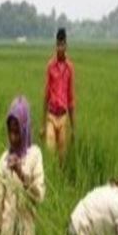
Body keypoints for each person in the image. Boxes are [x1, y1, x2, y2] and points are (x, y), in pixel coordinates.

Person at [0, 96, 45, 235]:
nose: (12, 137)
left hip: (27, 230)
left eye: (17, 131)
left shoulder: (35, 155)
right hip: (7, 233)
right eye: (10, 131)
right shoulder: (4, 160)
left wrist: (20, 172)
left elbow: (39, 195)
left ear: (25, 128)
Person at [41, 27, 75, 163]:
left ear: (66, 45)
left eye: (62, 45)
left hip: (63, 117)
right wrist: (43, 124)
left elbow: (71, 99)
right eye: (58, 45)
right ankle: (50, 176)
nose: (60, 48)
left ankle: (59, 179)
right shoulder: (50, 66)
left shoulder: (69, 68)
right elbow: (46, 95)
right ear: (55, 45)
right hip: (51, 116)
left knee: (61, 156)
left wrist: (73, 128)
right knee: (50, 150)